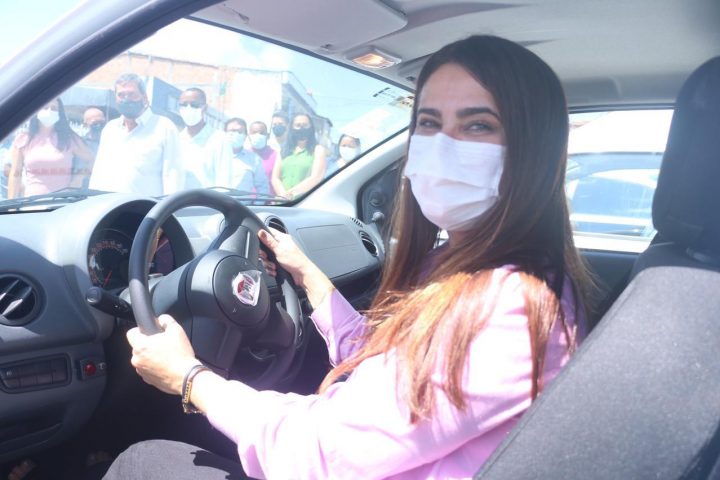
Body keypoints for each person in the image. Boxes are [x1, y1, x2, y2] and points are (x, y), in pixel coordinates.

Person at [106, 35, 592, 479]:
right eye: (429, 123)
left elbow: (324, 453)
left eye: (478, 125)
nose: (444, 146)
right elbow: (384, 366)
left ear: (533, 150)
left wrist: (190, 378)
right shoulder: (457, 266)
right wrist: (309, 277)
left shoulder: (511, 305)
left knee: (142, 462)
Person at [89, 73, 183, 196]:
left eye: (131, 94)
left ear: (144, 97)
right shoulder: (110, 129)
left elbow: (173, 175)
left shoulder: (164, 127)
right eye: (121, 95)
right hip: (109, 205)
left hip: (146, 207)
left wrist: (169, 206)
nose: (126, 99)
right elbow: (98, 172)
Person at [8, 98, 94, 198]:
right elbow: (15, 174)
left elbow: (92, 160)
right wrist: (11, 203)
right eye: (45, 107)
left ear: (59, 113)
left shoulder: (68, 139)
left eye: (54, 108)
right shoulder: (23, 139)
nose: (49, 111)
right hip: (31, 202)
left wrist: (78, 179)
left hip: (62, 202)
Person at [177, 87, 231, 188]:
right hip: (179, 198)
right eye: (183, 104)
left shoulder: (219, 139)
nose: (188, 108)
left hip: (206, 198)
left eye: (194, 105)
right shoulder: (177, 139)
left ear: (204, 108)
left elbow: (224, 181)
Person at [271, 113, 327, 199]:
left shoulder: (318, 150)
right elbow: (275, 178)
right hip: (282, 201)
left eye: (305, 125)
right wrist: (283, 195)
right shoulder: (284, 150)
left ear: (311, 127)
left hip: (305, 201)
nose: (301, 128)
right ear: (291, 128)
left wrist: (291, 194)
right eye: (298, 125)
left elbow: (316, 177)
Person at [221, 117, 270, 195]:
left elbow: (263, 188)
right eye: (232, 131)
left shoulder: (254, 159)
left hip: (242, 202)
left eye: (239, 132)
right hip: (216, 202)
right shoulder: (213, 156)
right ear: (224, 133)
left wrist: (257, 202)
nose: (236, 134)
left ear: (245, 136)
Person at [247, 120, 278, 195]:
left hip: (268, 200)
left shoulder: (276, 156)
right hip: (245, 200)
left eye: (261, 133)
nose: (258, 135)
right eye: (254, 132)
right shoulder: (243, 156)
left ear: (268, 136)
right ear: (249, 136)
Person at [79, 107, 107, 188]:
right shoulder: (80, 145)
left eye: (101, 122)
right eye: (95, 122)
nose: (99, 125)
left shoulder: (113, 142)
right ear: (85, 124)